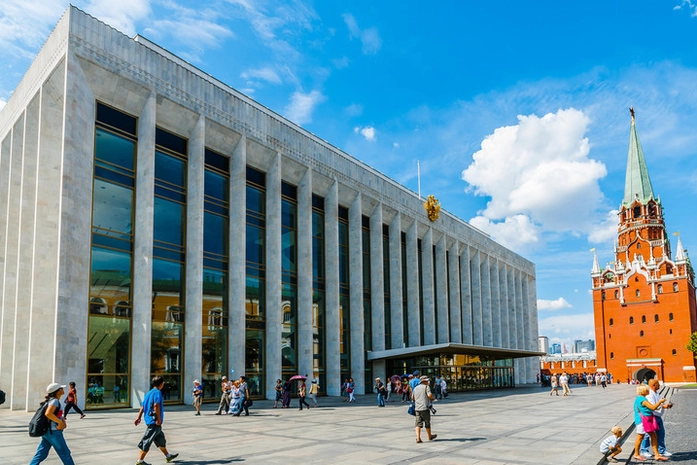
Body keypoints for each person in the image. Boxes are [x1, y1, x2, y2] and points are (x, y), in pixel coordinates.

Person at [134, 376, 179, 465]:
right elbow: (156, 405)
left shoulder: (148, 393)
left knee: (160, 439)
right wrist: (158, 419)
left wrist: (138, 417)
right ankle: (140, 461)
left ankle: (168, 456)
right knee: (147, 440)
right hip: (154, 421)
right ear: (161, 384)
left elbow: (142, 406)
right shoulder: (157, 392)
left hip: (150, 420)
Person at [30, 382, 75, 465]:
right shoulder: (54, 401)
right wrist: (60, 422)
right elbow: (48, 413)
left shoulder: (52, 401)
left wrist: (62, 420)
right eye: (61, 388)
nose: (63, 389)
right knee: (65, 453)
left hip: (47, 432)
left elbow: (54, 414)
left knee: (41, 454)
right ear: (57, 391)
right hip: (53, 432)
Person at [631, 384, 668, 462]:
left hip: (647, 420)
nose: (649, 391)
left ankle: (657, 454)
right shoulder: (642, 399)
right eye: (647, 390)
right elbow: (653, 407)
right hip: (642, 421)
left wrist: (662, 405)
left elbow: (653, 407)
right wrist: (660, 401)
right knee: (640, 437)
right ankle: (636, 454)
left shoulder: (642, 398)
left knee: (654, 436)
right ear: (644, 391)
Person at [639, 379, 673, 458]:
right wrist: (663, 406)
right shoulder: (649, 394)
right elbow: (653, 406)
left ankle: (662, 450)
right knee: (647, 434)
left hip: (658, 416)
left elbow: (658, 404)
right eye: (658, 384)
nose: (659, 385)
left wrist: (665, 406)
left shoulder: (656, 393)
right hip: (651, 417)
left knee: (661, 433)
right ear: (653, 385)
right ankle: (644, 450)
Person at [411, 376, 437, 443]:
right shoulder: (426, 387)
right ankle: (429, 436)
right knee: (427, 422)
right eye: (427, 380)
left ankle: (418, 438)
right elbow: (429, 395)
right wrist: (433, 398)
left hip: (417, 408)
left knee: (418, 423)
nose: (428, 382)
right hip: (424, 408)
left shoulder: (415, 388)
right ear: (424, 381)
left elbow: (412, 398)